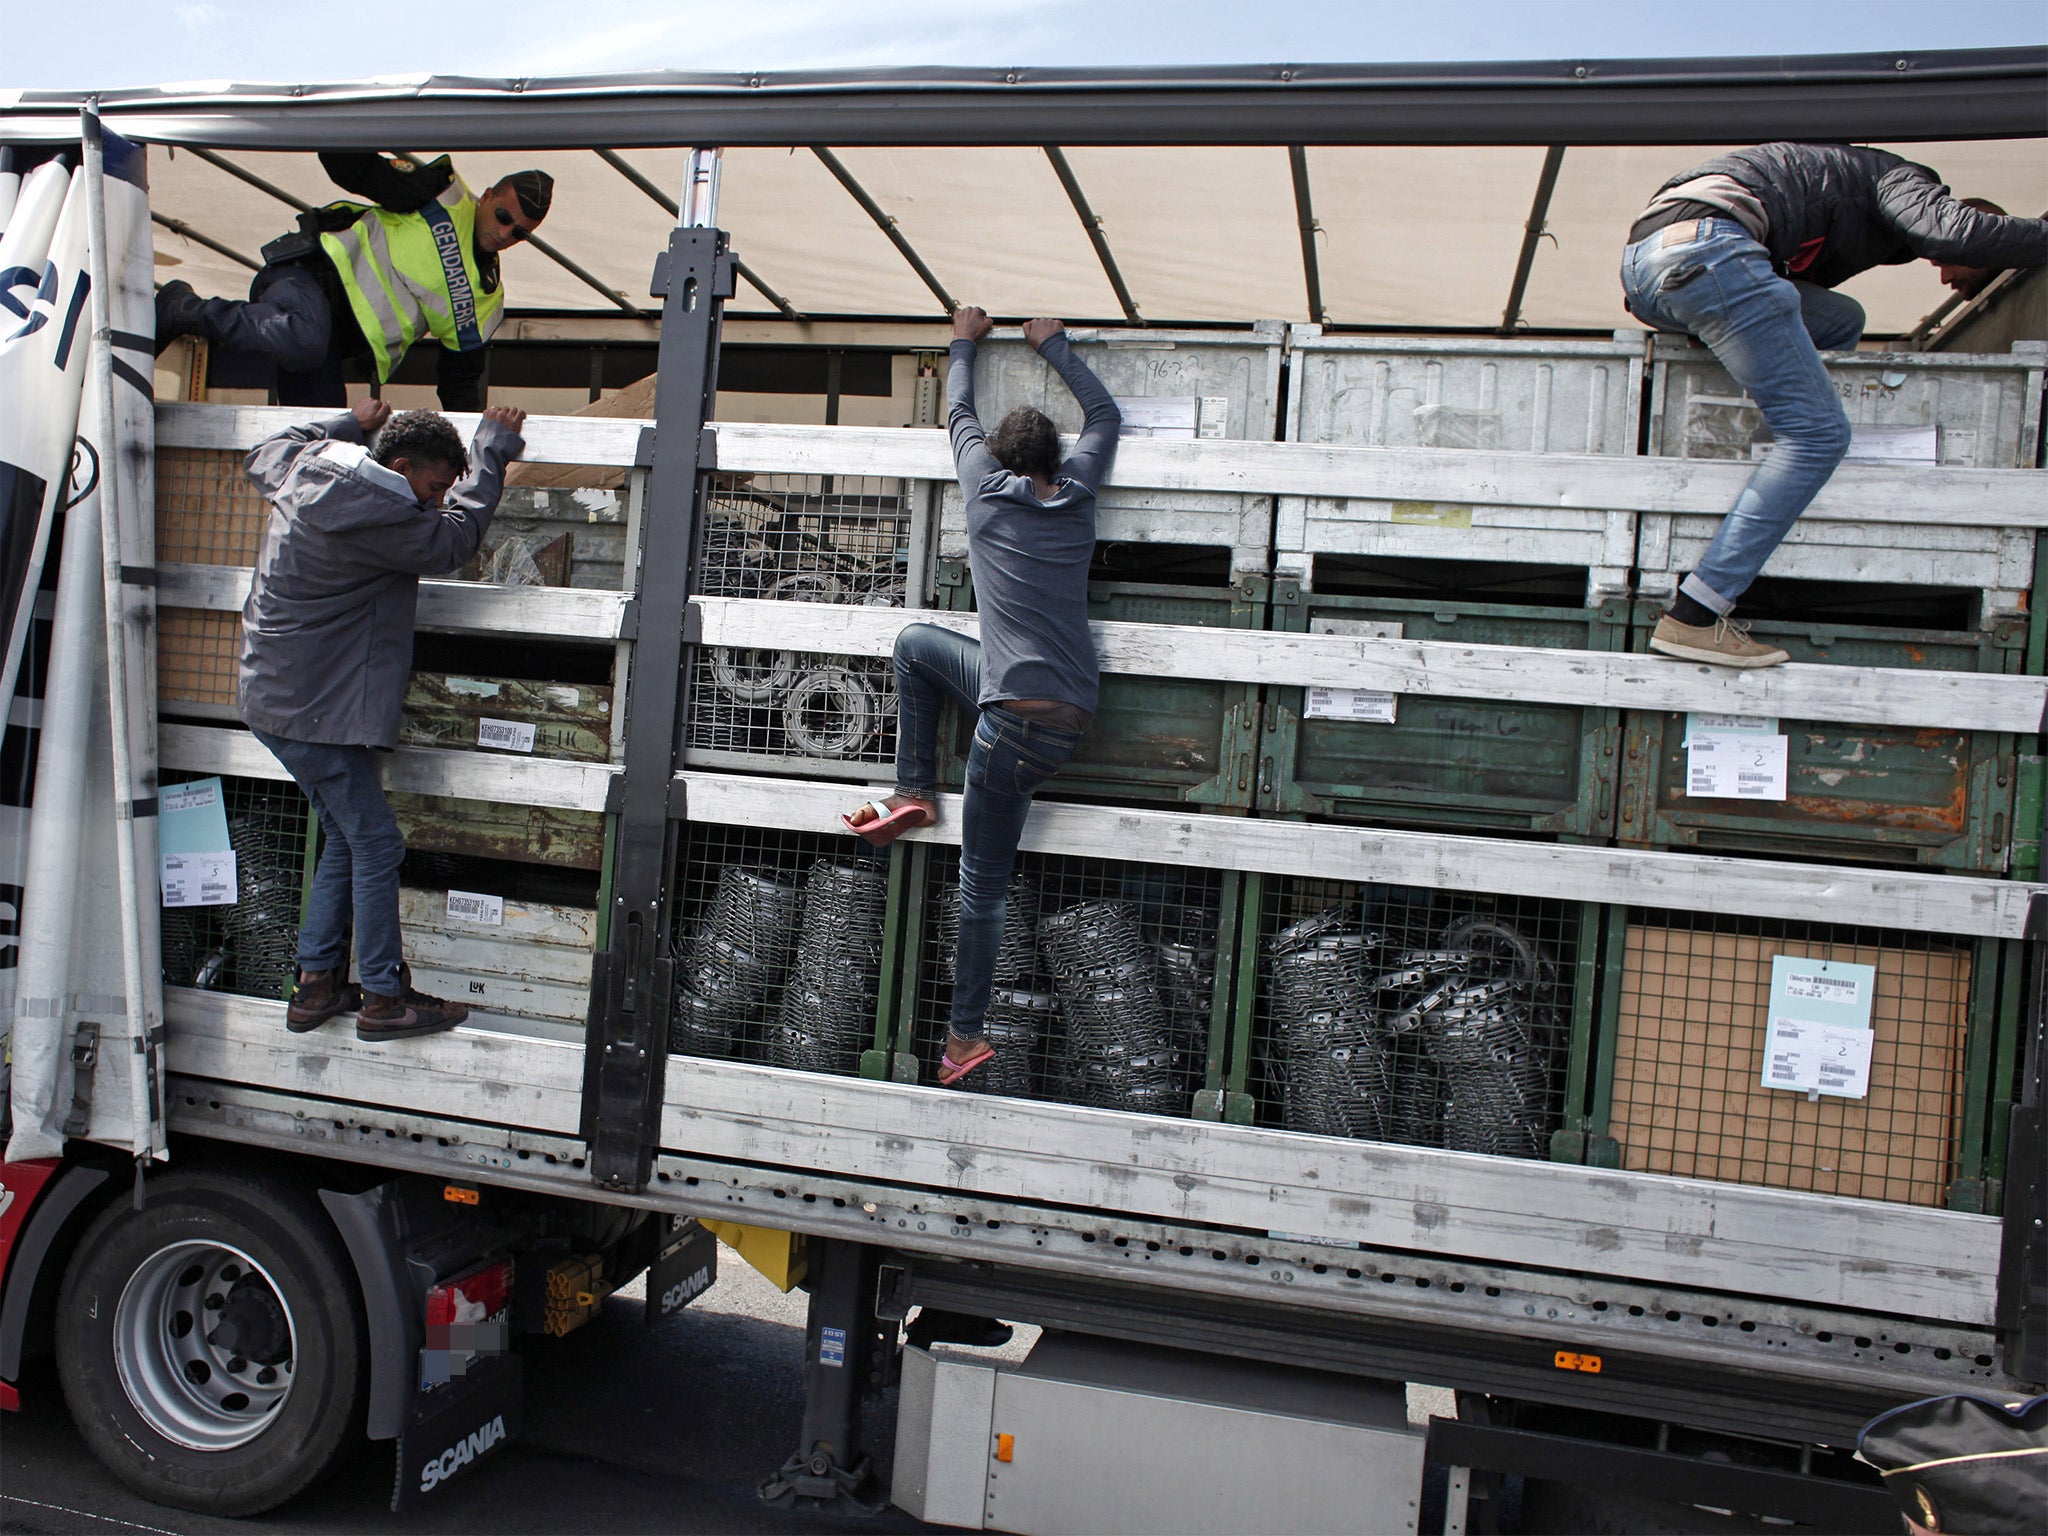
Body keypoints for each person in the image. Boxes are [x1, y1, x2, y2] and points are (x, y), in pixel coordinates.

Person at [1621, 143, 2047, 669]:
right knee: (1819, 437)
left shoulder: (1839, 202)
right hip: (1710, 253)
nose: (1941, 272)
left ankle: (1779, 468)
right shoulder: (1902, 178)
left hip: (1647, 269)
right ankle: (1696, 613)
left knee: (1840, 319)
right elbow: (1953, 231)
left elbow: (1807, 292)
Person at [842, 306, 1119, 1087]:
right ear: (1057, 461)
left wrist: (964, 338)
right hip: (1069, 719)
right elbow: (1106, 412)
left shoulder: (983, 490)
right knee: (926, 652)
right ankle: (914, 794)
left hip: (1004, 725)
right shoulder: (1078, 493)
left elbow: (956, 412)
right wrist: (1052, 346)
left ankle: (965, 1036)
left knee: (981, 892)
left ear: (997, 462)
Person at [239, 397, 527, 1040]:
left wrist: (348, 418)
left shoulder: (308, 468)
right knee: (376, 843)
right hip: (315, 710)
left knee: (347, 836)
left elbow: (264, 448)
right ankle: (383, 996)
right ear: (398, 466)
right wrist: (491, 449)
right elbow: (454, 540)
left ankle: (315, 987)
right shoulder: (383, 513)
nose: (433, 501)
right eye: (431, 487)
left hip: (278, 696)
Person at [157, 153, 552, 411]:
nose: (505, 234)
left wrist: (470, 452)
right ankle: (184, 307)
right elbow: (352, 166)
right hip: (309, 277)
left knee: (327, 450)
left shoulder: (485, 298)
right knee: (304, 339)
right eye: (503, 216)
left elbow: (460, 384)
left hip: (331, 345)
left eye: (519, 233)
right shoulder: (438, 195)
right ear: (486, 197)